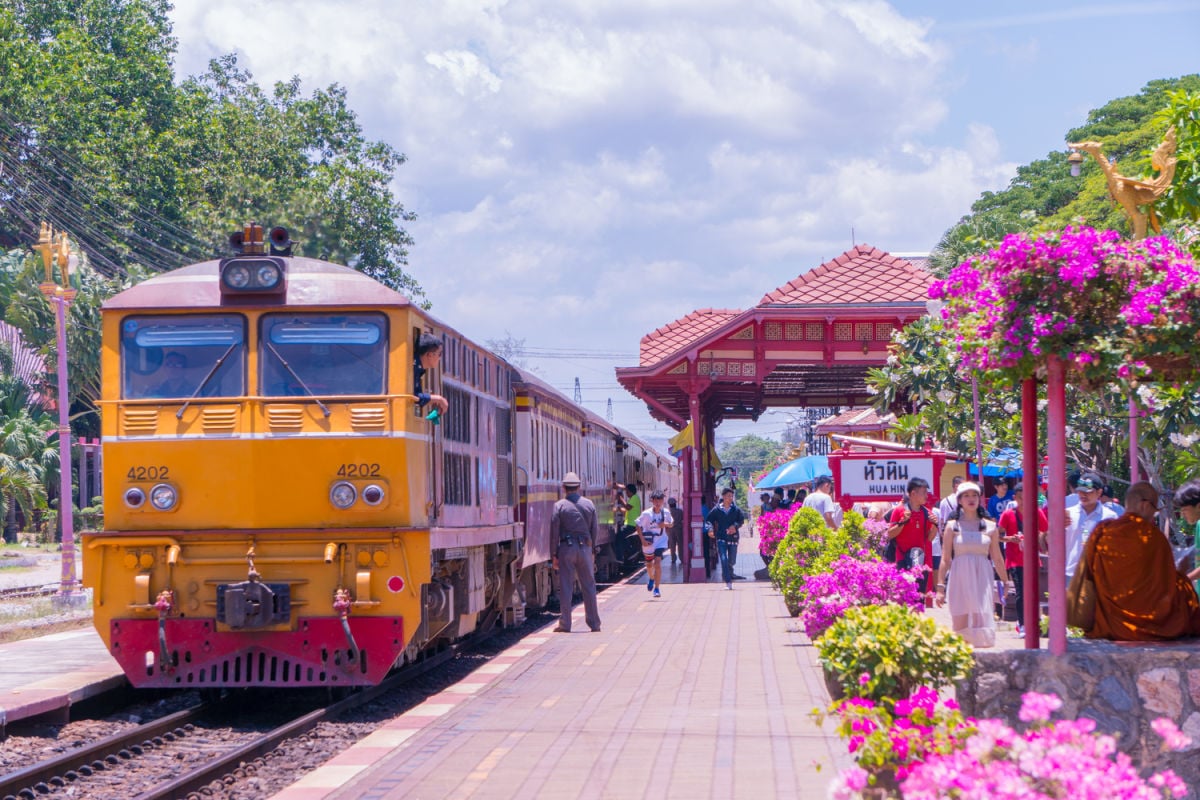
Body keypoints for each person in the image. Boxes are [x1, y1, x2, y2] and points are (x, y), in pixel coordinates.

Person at [1085, 482, 1200, 642]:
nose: (1154, 514)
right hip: (1153, 625)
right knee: (1184, 592)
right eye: (1155, 509)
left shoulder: (1102, 532)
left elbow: (1088, 575)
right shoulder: (1154, 538)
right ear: (1145, 505)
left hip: (1111, 625)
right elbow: (1166, 587)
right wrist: (1181, 574)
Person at [935, 481, 1009, 648]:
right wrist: (940, 587)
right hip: (959, 577)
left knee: (981, 619)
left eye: (974, 495)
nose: (971, 499)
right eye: (966, 496)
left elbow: (997, 558)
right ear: (959, 500)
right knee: (960, 618)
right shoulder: (952, 526)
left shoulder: (990, 526)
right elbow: (946, 558)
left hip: (982, 578)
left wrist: (1005, 582)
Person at [548, 472, 601, 633]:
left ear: (564, 488)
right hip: (585, 548)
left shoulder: (559, 506)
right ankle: (594, 624)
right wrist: (592, 550)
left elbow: (554, 533)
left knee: (566, 586)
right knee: (589, 586)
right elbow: (595, 529)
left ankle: (565, 624)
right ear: (579, 487)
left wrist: (554, 555)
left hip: (566, 549)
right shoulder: (589, 504)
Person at [996, 482, 1047, 636]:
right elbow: (998, 536)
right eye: (1020, 498)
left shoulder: (1037, 512)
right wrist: (1011, 539)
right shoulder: (1008, 514)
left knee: (1033, 591)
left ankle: (1033, 621)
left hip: (1032, 558)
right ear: (1015, 498)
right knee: (1020, 591)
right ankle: (1022, 623)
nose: (1024, 501)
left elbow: (1045, 531)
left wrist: (1038, 538)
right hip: (1015, 559)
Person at [1054, 472, 1118, 581]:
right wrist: (1056, 528)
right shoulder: (1067, 514)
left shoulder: (1110, 517)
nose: (1083, 495)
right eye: (1080, 491)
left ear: (1099, 492)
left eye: (1088, 492)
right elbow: (1053, 542)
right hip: (1071, 574)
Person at [887, 477, 939, 572]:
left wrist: (935, 525)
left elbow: (929, 539)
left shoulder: (927, 513)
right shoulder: (899, 510)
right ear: (913, 493)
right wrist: (902, 522)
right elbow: (890, 534)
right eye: (923, 492)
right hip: (902, 560)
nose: (926, 496)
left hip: (921, 561)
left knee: (921, 587)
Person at [706, 487, 745, 590]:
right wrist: (710, 529)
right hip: (721, 537)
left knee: (731, 561)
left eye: (731, 496)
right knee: (723, 558)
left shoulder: (735, 510)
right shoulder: (717, 510)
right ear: (723, 496)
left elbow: (741, 520)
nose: (730, 498)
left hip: (733, 538)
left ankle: (728, 569)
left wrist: (735, 526)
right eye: (728, 496)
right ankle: (728, 581)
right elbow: (709, 520)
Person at [637, 490, 673, 598]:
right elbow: (638, 525)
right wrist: (642, 540)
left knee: (657, 563)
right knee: (649, 565)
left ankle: (657, 588)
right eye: (656, 500)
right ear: (652, 501)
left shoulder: (665, 512)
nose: (658, 503)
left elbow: (671, 523)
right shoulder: (646, 514)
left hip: (660, 541)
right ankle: (651, 578)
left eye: (660, 500)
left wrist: (665, 524)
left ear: (663, 501)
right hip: (648, 542)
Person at [934, 476, 965, 592]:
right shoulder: (963, 500)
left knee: (951, 561)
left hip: (949, 534)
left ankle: (954, 586)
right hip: (959, 533)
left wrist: (943, 536)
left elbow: (941, 521)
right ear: (955, 486)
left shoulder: (944, 501)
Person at [413, 333, 449, 415]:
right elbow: (412, 396)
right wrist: (438, 399)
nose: (440, 358)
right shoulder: (412, 368)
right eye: (439, 354)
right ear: (429, 355)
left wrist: (432, 400)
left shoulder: (419, 369)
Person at [1176, 481, 1200, 593]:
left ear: (1198, 506)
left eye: (1185, 510)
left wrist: (1183, 581)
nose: (1182, 514)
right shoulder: (1199, 525)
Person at [667, 497, 684, 565]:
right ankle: (682, 558)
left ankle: (673, 558)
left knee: (672, 544)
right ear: (675, 504)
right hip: (679, 529)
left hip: (671, 530)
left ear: (669, 504)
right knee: (680, 544)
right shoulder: (680, 511)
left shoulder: (668, 512)